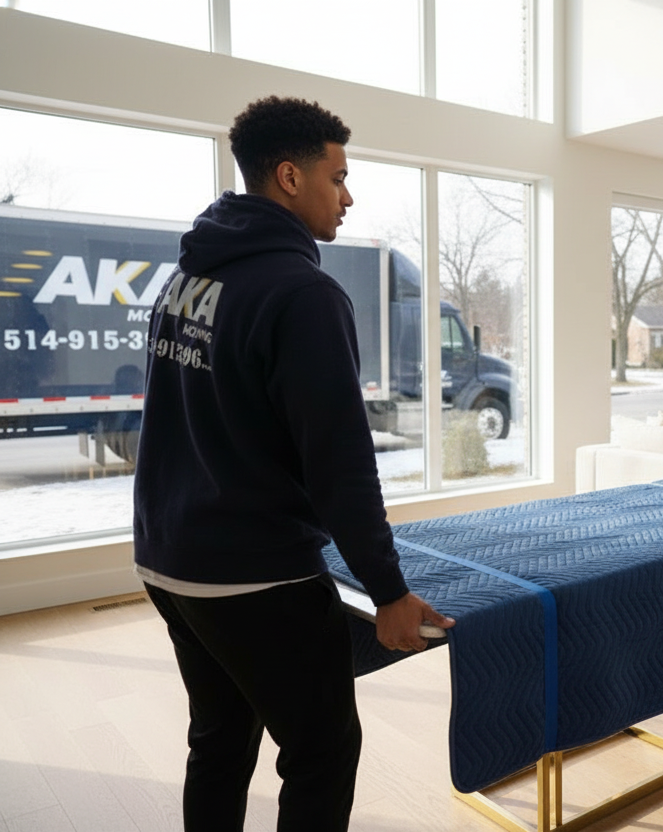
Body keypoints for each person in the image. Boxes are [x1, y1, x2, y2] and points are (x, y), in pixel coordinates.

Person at [132, 96, 454, 832]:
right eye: (337, 177)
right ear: (288, 177)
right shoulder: (303, 293)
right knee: (320, 752)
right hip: (256, 575)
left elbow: (174, 422)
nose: (348, 195)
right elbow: (339, 462)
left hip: (168, 559)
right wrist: (389, 592)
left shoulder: (185, 281)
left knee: (219, 738)